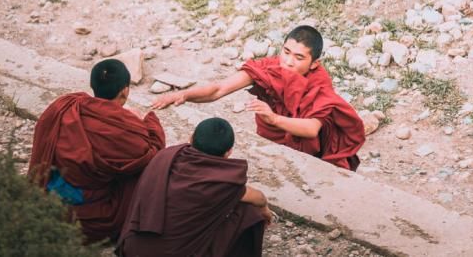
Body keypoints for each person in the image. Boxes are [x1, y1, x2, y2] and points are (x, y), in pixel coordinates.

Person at [152, 25, 365, 171]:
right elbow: (219, 89)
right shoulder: (267, 69)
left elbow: (311, 129)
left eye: (299, 57)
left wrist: (273, 119)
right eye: (286, 52)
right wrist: (184, 94)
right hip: (271, 141)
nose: (288, 62)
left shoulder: (319, 83)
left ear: (314, 63)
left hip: (308, 148)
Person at [28, 58, 166, 244]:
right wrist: (148, 121)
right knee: (142, 172)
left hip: (55, 187)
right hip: (91, 214)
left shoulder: (66, 105)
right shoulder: (125, 131)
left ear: (93, 85)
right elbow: (153, 153)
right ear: (125, 91)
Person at [118, 117, 272, 257]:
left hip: (132, 248)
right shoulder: (223, 183)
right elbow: (257, 197)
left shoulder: (166, 156)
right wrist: (265, 210)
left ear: (191, 138)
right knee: (250, 212)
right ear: (228, 152)